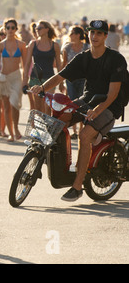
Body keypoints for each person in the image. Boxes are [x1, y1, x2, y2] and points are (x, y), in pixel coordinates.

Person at [31, 20, 128, 201]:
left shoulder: (115, 59)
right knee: (57, 122)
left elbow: (113, 94)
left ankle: (77, 186)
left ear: (106, 36)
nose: (95, 36)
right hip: (87, 100)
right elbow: (60, 76)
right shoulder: (83, 57)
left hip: (109, 106)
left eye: (99, 33)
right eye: (92, 32)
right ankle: (48, 161)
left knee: (84, 136)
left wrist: (97, 111)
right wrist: (41, 88)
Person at [0, 18, 27, 142]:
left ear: (16, 29)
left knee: (15, 104)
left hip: (16, 77)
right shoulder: (0, 45)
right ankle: (11, 133)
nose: (10, 30)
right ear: (4, 29)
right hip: (3, 78)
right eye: (8, 28)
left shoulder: (21, 45)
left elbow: (25, 64)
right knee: (6, 106)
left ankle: (16, 128)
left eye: (13, 28)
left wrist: (25, 80)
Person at [23, 20, 62, 114]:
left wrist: (61, 82)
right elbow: (27, 64)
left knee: (48, 106)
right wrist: (24, 81)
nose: (37, 30)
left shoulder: (55, 45)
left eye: (39, 28)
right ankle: (38, 127)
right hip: (35, 78)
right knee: (38, 106)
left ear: (47, 29)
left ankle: (47, 127)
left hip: (50, 78)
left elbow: (59, 64)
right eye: (36, 28)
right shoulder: (33, 44)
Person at [61, 25, 89, 139]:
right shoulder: (67, 48)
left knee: (83, 103)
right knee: (72, 104)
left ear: (78, 35)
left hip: (83, 80)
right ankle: (74, 130)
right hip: (71, 80)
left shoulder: (87, 47)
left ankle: (82, 129)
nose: (70, 35)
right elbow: (64, 65)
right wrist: (60, 82)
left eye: (72, 33)